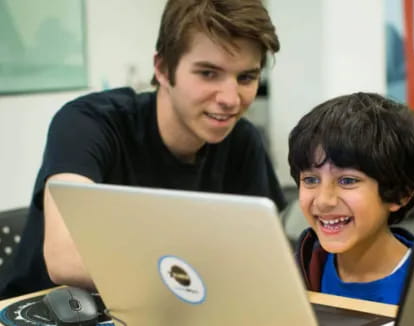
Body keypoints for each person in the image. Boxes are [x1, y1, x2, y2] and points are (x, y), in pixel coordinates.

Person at [0, 0, 285, 299]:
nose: (230, 98)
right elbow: (65, 259)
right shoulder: (89, 123)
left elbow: (264, 264)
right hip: (41, 308)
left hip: (163, 308)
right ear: (162, 69)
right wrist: (200, 277)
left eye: (246, 78)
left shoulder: (242, 141)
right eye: (208, 73)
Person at [288, 92, 414, 304]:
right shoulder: (301, 269)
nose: (323, 200)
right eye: (311, 180)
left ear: (401, 194)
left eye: (347, 181)